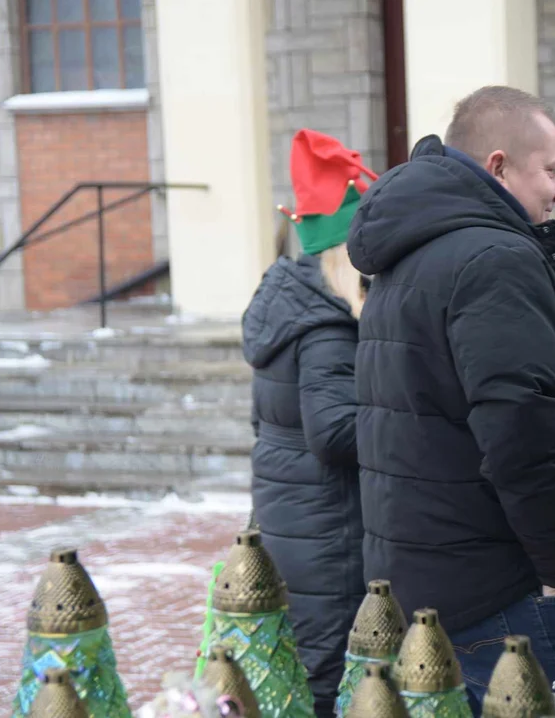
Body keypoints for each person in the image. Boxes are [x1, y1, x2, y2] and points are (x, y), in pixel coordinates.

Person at [345, 86, 555, 713]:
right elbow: (526, 437)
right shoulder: (494, 259)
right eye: (551, 171)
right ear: (499, 166)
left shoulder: (412, 254)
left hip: (431, 579)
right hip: (508, 590)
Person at [242, 129, 377, 716]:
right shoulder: (325, 328)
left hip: (295, 521)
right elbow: (334, 433)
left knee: (305, 668)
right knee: (327, 677)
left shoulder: (288, 305)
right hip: (330, 536)